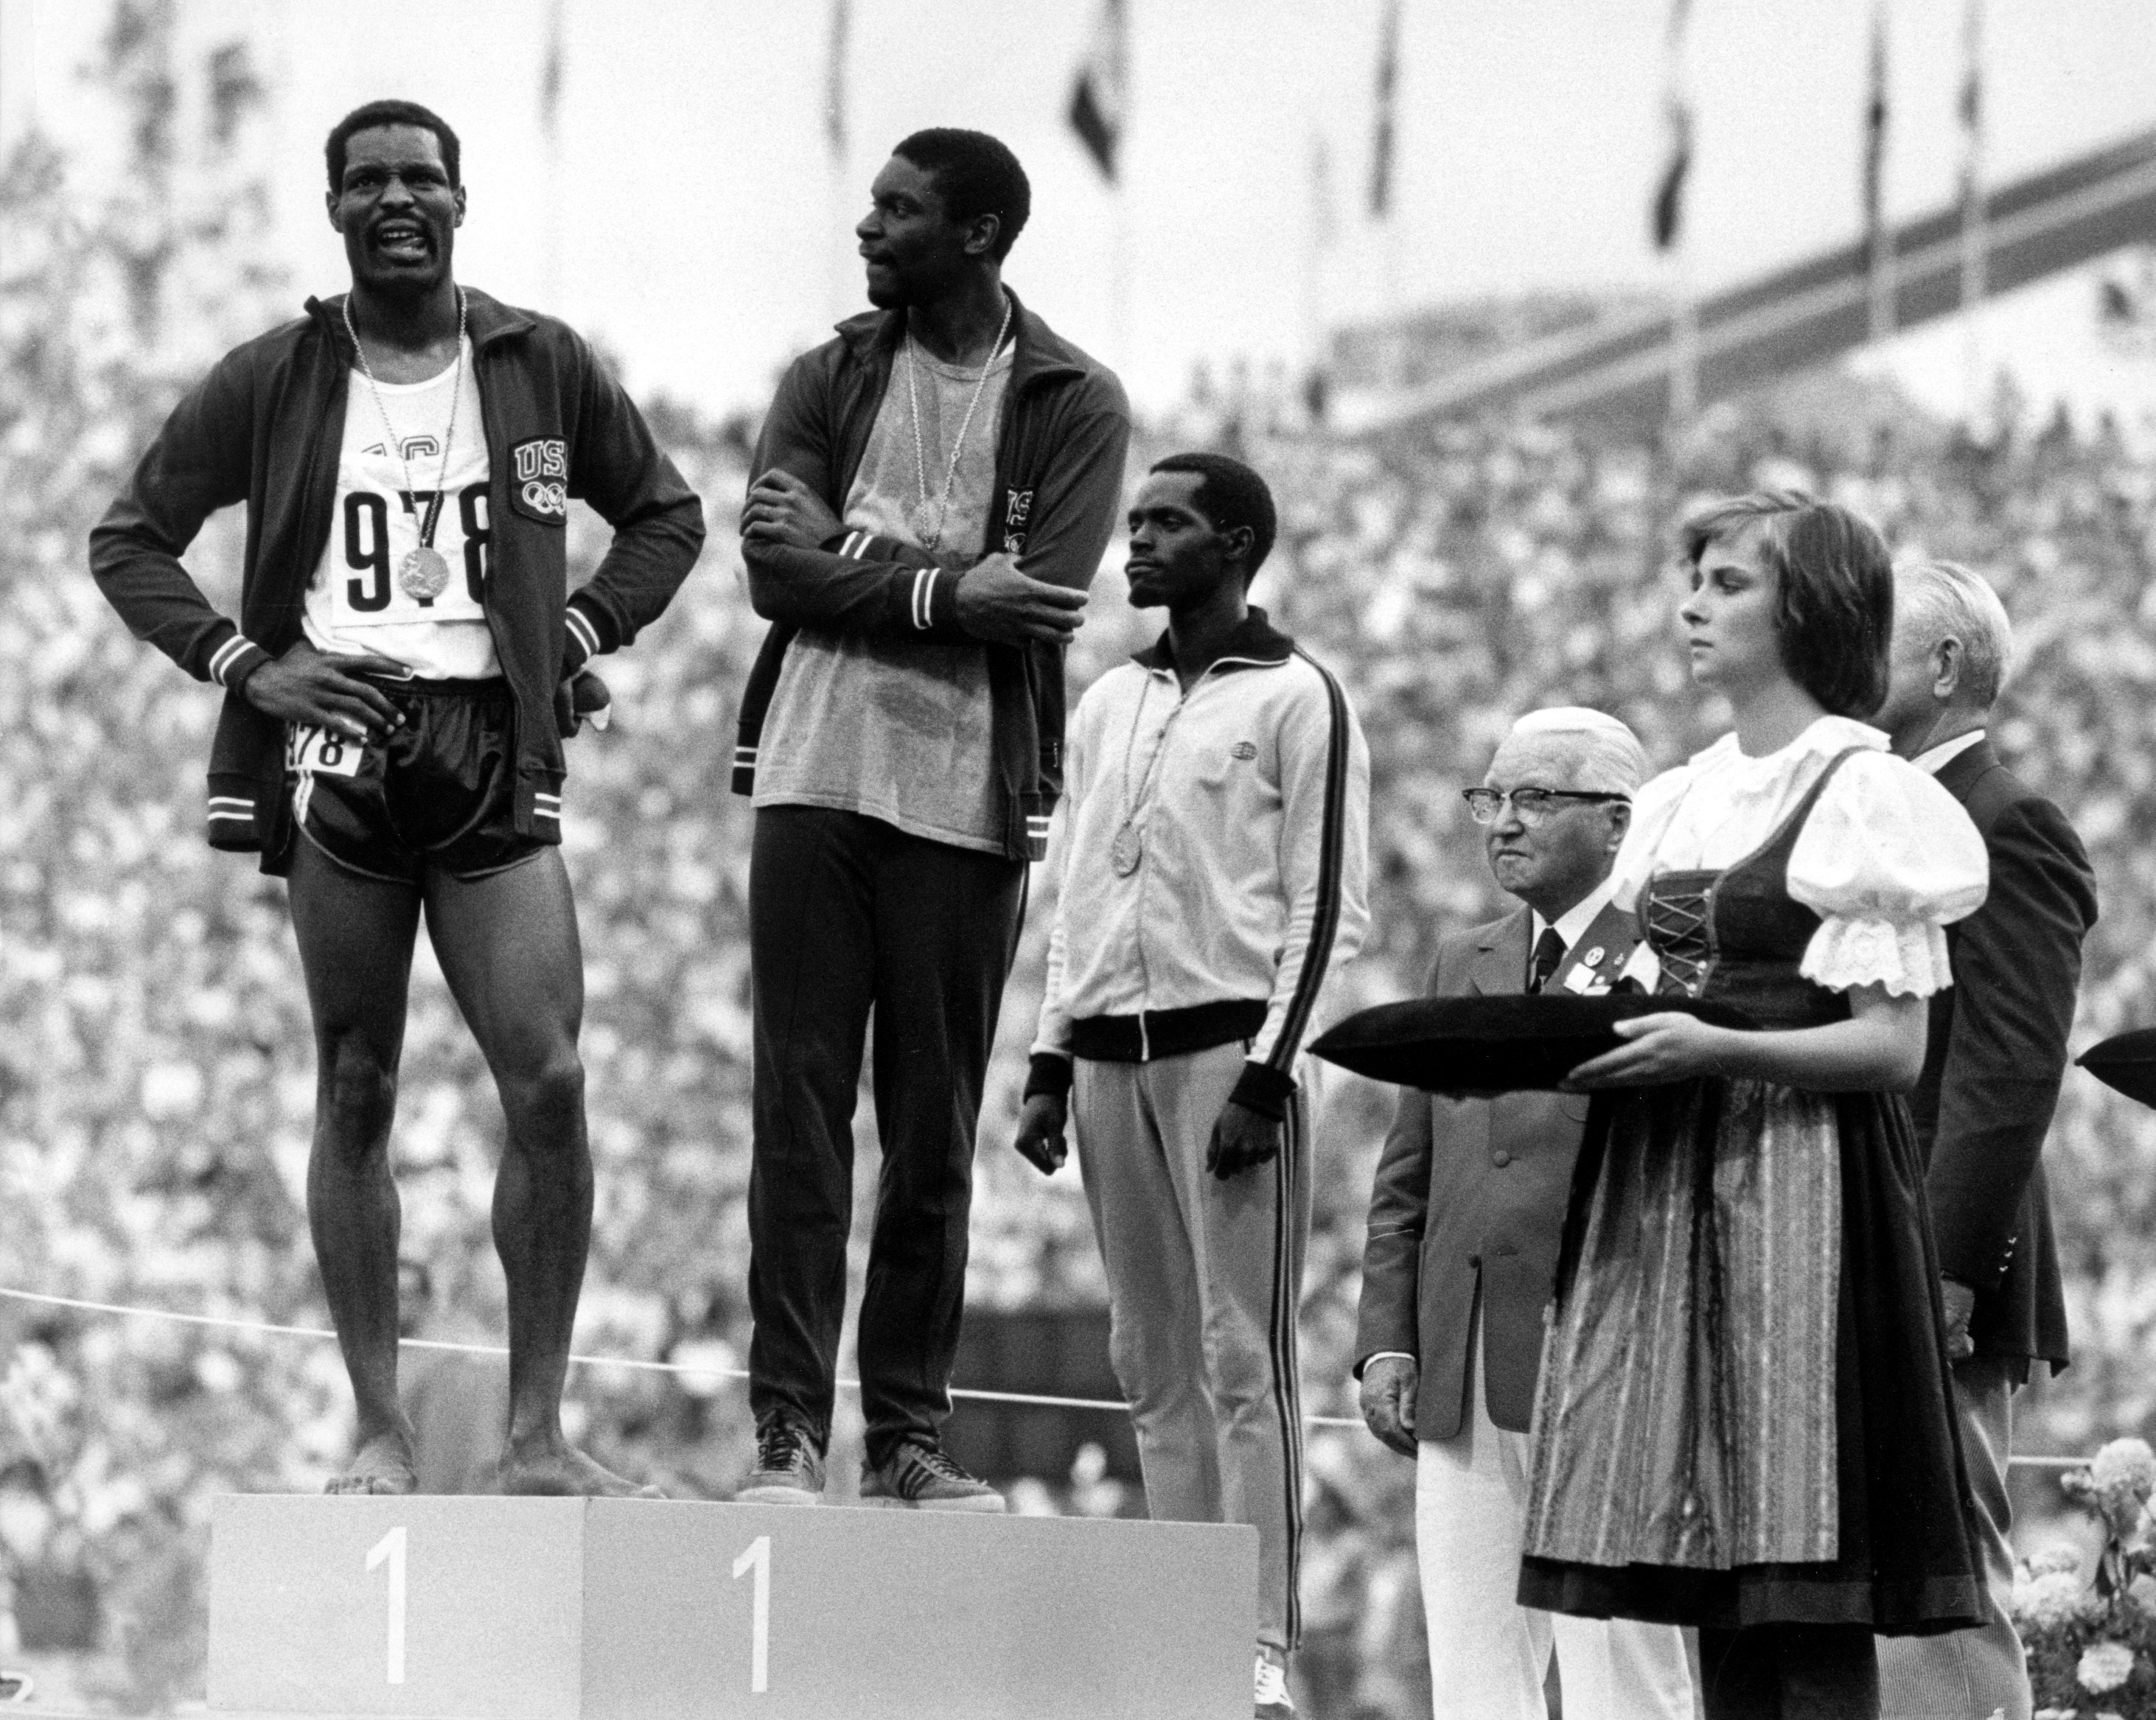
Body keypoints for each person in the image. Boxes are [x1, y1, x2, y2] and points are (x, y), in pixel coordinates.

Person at [88, 101, 705, 1496]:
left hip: (492, 740)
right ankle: (381, 1421)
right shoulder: (276, 373)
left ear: (463, 199)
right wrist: (251, 668)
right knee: (355, 1084)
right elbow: (129, 539)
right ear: (335, 209)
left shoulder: (540, 362)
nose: (396, 201)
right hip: (343, 745)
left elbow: (666, 517)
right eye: (367, 182)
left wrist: (580, 637)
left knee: (549, 1081)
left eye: (421, 178)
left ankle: (539, 1431)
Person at [1519, 492, 1992, 1719]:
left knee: (1800, 1566)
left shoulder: (1859, 790)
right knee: (1715, 1577)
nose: (1692, 603)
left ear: (1809, 607)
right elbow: (1614, 974)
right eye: (1696, 578)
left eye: (1728, 582)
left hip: (1802, 1197)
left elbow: (1892, 1048)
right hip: (1674, 1191)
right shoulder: (1679, 795)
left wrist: (1712, 1045)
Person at [732, 128, 1130, 1510]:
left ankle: (902, 1435)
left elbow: (1052, 586)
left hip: (965, 795)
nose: (865, 227)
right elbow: (773, 568)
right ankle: (786, 1430)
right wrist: (948, 592)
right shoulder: (828, 372)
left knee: (926, 1129)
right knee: (795, 1112)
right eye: (870, 204)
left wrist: (858, 554)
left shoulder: (1073, 397)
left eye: (898, 211)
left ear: (981, 233)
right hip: (811, 773)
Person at [1011, 452, 1368, 1720]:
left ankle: (1258, 1643)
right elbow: (1077, 897)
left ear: (1236, 543)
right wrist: (1050, 1058)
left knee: (1240, 1352)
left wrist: (1268, 1074)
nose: (1137, 543)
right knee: (1144, 1353)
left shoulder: (1298, 696)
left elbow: (1327, 907)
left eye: (1166, 524)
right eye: (1134, 523)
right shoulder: (1107, 697)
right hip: (1110, 1053)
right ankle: (1180, 1636)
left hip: (1227, 1055)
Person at [1357, 707, 1695, 1720]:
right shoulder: (1462, 960)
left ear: (1617, 821)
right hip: (1461, 1360)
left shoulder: (1670, 962)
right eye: (1489, 797)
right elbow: (1408, 1170)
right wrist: (1385, 1342)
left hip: (1609, 1360)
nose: (1500, 821)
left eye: (1533, 797)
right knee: (1471, 1666)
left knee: (1622, 1674)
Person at [1868, 563, 2098, 1720]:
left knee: (1937, 1574)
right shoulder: (1881, 806)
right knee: (1875, 1579)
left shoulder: (2008, 820)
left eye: (1875, 642)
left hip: (1933, 1253)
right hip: (1866, 1240)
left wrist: (1946, 1264)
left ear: (1944, 667)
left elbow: (2008, 1066)